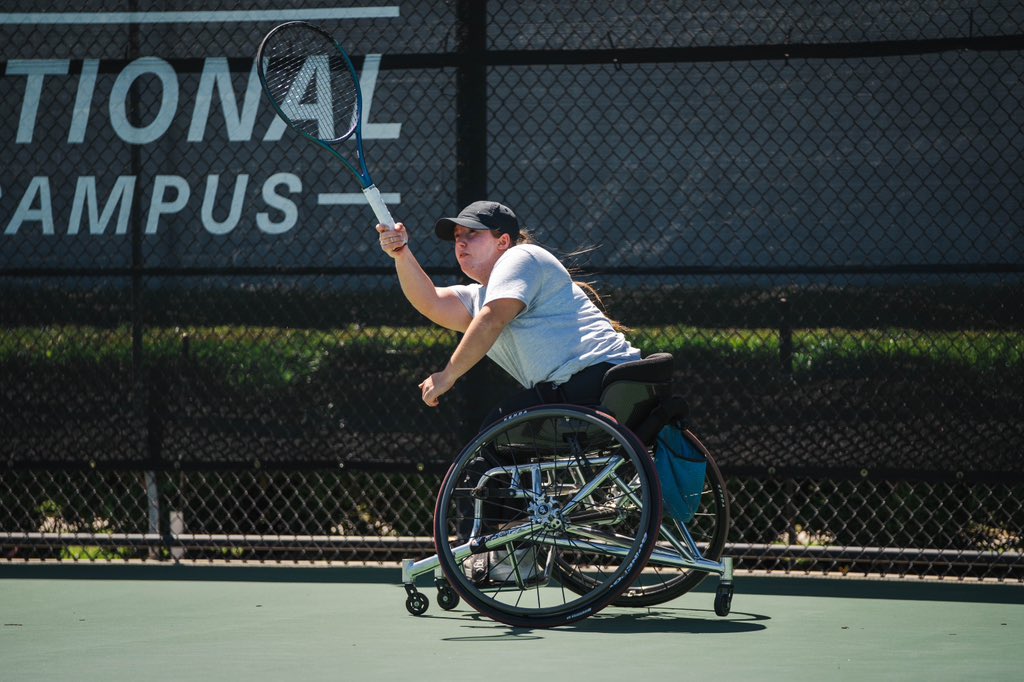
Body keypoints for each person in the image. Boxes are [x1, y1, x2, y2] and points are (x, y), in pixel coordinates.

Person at [376, 200, 641, 427]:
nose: (461, 242)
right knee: (502, 438)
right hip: (577, 388)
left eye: (472, 233)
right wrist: (401, 254)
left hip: (600, 380)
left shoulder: (522, 256)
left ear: (503, 241)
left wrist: (447, 376)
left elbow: (492, 320)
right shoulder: (479, 296)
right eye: (457, 236)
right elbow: (430, 301)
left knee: (493, 440)